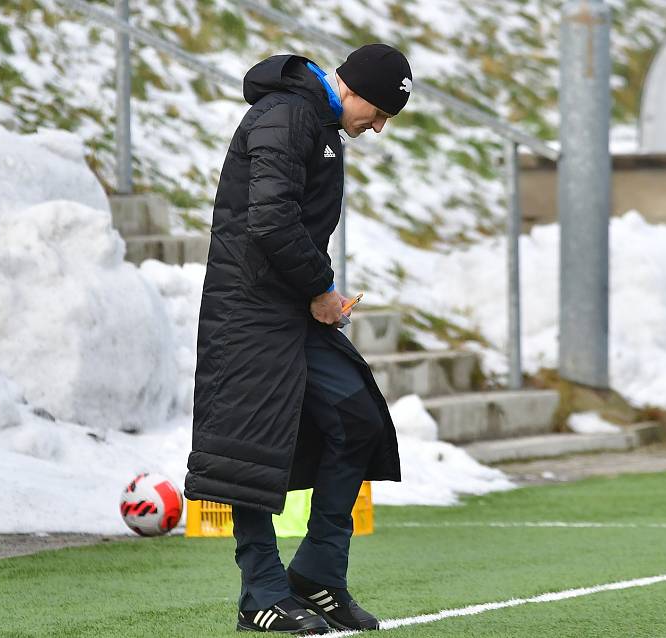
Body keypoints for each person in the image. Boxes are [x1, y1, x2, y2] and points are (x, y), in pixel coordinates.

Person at [183, 43, 413, 635]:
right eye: (381, 112)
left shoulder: (319, 121)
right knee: (249, 449)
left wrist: (320, 290)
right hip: (250, 310)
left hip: (289, 306)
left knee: (357, 418)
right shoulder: (287, 115)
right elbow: (270, 220)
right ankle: (259, 592)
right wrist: (320, 290)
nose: (380, 127)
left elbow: (289, 222)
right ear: (353, 89)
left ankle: (318, 575)